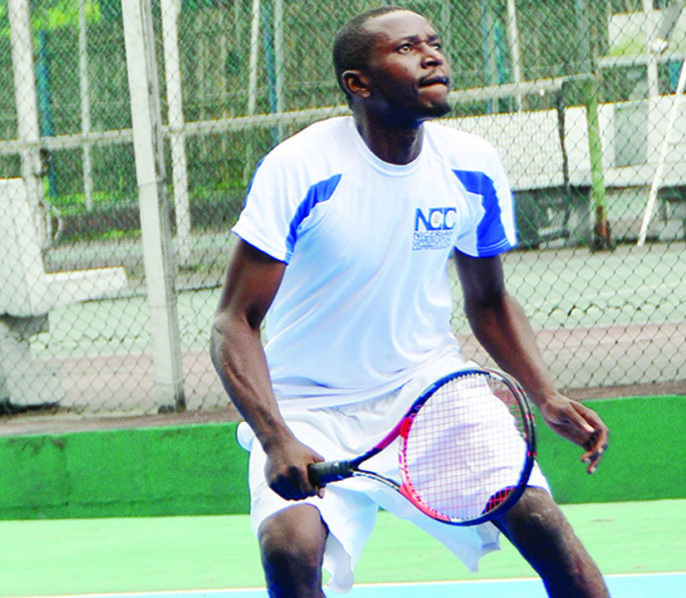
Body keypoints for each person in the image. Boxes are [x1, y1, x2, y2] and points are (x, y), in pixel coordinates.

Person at [210, 7, 611, 597]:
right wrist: (275, 438)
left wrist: (545, 395)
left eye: (433, 43)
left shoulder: (471, 165)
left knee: (541, 522)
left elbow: (490, 300)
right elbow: (234, 322)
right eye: (406, 49)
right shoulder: (300, 168)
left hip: (429, 390)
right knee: (289, 548)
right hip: (308, 403)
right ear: (358, 83)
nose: (432, 56)